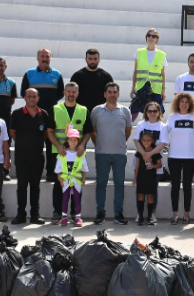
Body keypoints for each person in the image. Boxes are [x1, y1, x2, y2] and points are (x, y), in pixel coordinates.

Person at [46, 82, 92, 223]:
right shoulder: (56, 109)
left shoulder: (83, 110)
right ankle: (58, 212)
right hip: (60, 153)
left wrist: (82, 145)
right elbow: (49, 131)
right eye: (68, 91)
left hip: (76, 154)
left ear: (77, 94)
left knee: (76, 183)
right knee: (59, 182)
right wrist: (59, 146)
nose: (71, 94)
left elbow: (88, 131)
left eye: (74, 92)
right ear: (64, 93)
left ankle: (74, 213)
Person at [91, 82, 132, 226]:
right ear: (105, 94)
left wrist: (118, 143)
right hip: (102, 153)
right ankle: (100, 213)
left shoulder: (125, 111)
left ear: (118, 94)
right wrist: (101, 144)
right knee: (101, 184)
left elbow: (127, 131)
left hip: (120, 153)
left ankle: (118, 214)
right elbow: (93, 130)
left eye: (115, 92)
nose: (112, 94)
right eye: (109, 92)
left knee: (119, 184)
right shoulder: (96, 110)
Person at [21, 48, 65, 181]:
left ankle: (51, 173)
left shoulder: (57, 74)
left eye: (47, 56)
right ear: (37, 58)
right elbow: (24, 93)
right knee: (33, 144)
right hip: (34, 115)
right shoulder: (29, 74)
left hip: (52, 115)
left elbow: (60, 93)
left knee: (52, 145)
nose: (45, 59)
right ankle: (32, 173)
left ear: (50, 58)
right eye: (42, 56)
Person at [9, 88, 48, 225]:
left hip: (37, 156)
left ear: (38, 98)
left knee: (35, 186)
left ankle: (35, 215)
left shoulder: (43, 114)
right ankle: (20, 214)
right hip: (21, 156)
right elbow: (13, 132)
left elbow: (45, 134)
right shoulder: (17, 114)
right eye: (29, 96)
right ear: (24, 98)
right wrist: (23, 143)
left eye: (34, 96)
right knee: (22, 186)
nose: (31, 98)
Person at [165, 93, 194, 224]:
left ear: (190, 104)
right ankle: (175, 214)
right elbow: (165, 132)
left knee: (187, 186)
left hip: (190, 156)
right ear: (177, 103)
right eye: (181, 101)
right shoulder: (172, 117)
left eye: (186, 102)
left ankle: (186, 214)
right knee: (175, 186)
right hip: (174, 156)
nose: (184, 104)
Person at [133, 101, 168, 224]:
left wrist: (149, 154)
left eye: (155, 111)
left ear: (159, 112)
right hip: (141, 161)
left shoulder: (162, 126)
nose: (152, 113)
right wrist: (144, 154)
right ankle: (140, 214)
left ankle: (152, 214)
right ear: (146, 112)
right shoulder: (141, 124)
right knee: (141, 190)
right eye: (150, 111)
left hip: (155, 162)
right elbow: (137, 141)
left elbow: (163, 143)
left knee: (153, 190)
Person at [70, 48, 114, 144]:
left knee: (102, 145)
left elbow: (111, 97)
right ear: (86, 59)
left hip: (100, 115)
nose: (92, 61)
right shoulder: (77, 76)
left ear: (99, 60)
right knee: (77, 146)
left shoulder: (106, 77)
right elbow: (71, 96)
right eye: (90, 58)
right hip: (81, 115)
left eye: (95, 59)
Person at [54, 127, 89, 227]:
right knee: (65, 198)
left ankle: (78, 217)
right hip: (66, 179)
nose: (73, 142)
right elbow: (58, 169)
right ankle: (64, 217)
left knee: (77, 198)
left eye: (75, 139)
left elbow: (83, 168)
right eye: (71, 139)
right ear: (67, 140)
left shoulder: (81, 154)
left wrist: (83, 179)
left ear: (78, 141)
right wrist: (60, 179)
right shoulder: (63, 154)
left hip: (77, 179)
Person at [130, 28, 167, 120]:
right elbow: (135, 71)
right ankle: (127, 130)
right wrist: (133, 88)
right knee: (134, 109)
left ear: (157, 39)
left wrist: (163, 90)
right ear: (146, 37)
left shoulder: (161, 54)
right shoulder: (139, 52)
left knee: (157, 111)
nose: (151, 38)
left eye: (153, 36)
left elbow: (163, 74)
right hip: (142, 85)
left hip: (156, 87)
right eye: (149, 35)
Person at [133, 130, 162, 226]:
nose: (146, 143)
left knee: (150, 196)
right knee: (140, 196)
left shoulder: (155, 151)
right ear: (141, 141)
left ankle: (149, 217)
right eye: (144, 140)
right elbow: (137, 166)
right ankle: (140, 217)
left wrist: (153, 166)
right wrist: (135, 178)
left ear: (153, 140)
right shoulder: (139, 152)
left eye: (148, 140)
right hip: (141, 177)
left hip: (151, 178)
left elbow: (160, 165)